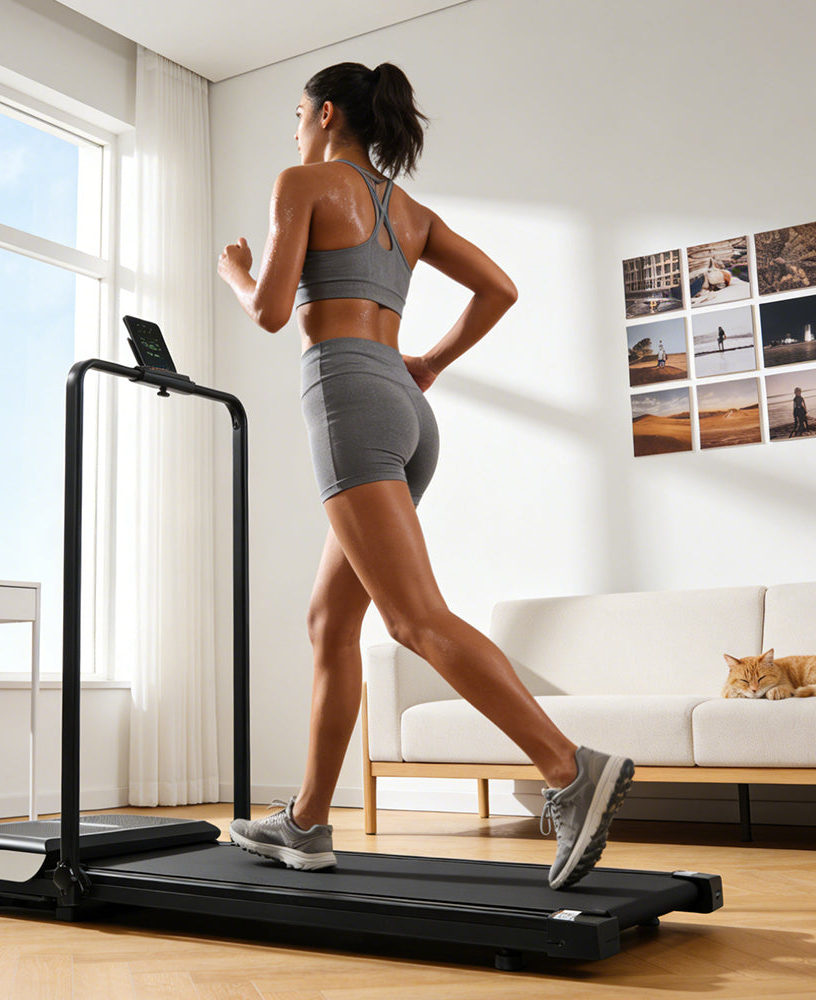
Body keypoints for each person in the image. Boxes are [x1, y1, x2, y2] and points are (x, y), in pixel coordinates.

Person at [217, 61, 633, 890]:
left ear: (327, 114)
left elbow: (268, 312)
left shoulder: (301, 181)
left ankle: (567, 770)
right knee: (329, 624)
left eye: (299, 113)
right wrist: (431, 363)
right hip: (406, 411)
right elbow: (499, 288)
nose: (296, 128)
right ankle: (305, 822)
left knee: (412, 619)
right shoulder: (408, 211)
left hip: (345, 397)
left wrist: (230, 266)